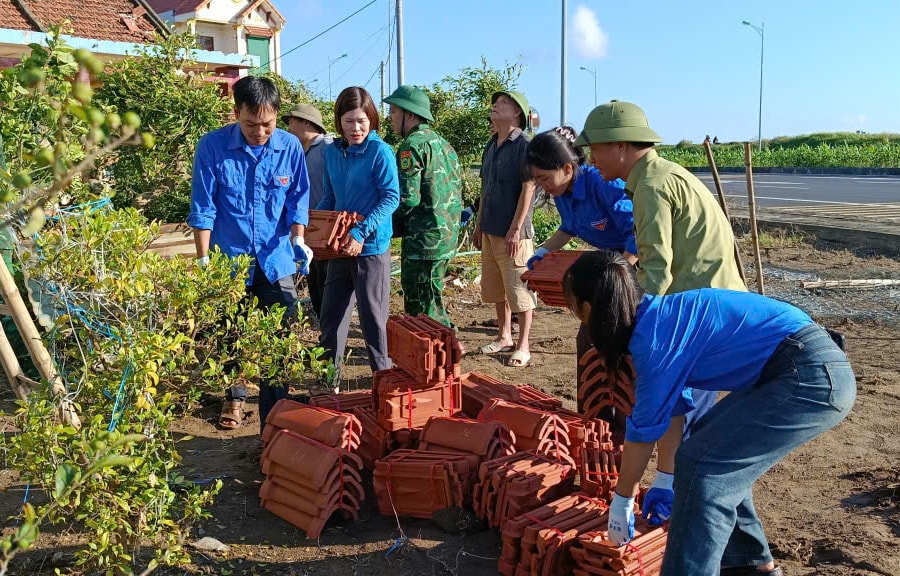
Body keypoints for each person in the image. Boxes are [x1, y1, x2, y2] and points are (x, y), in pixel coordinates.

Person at [564, 250, 855, 576]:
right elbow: (673, 409)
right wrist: (665, 479)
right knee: (710, 452)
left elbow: (642, 433)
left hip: (808, 375)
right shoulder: (660, 321)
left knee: (704, 468)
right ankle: (750, 565)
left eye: (574, 306)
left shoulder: (655, 341)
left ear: (589, 309)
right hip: (796, 367)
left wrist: (622, 502)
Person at [576, 100, 746, 438]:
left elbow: (656, 271)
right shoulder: (662, 174)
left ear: (621, 146)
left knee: (688, 428)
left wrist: (630, 328)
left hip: (701, 313)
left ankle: (682, 483)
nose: (592, 160)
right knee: (688, 421)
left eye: (596, 149)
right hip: (710, 302)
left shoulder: (652, 188)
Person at [189, 75, 312, 432]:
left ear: (277, 116)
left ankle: (276, 413)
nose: (260, 132)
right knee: (231, 332)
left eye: (268, 125)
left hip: (276, 259)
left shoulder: (288, 147)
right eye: (251, 124)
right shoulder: (212, 147)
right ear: (236, 113)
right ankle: (236, 396)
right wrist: (203, 260)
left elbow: (297, 200)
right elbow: (203, 206)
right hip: (230, 257)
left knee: (279, 334)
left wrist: (298, 238)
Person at [523, 125, 637, 406]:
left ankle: (627, 409)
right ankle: (594, 408)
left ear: (567, 168)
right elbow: (568, 228)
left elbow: (638, 232)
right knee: (590, 338)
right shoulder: (563, 194)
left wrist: (621, 272)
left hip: (633, 269)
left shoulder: (604, 184)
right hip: (611, 265)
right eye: (537, 180)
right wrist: (543, 251)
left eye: (545, 178)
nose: (543, 186)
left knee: (623, 338)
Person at [317, 86, 399, 376]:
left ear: (372, 119)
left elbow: (391, 197)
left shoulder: (380, 152)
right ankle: (329, 381)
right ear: (338, 121)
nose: (356, 128)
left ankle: (383, 381)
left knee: (373, 319)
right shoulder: (332, 152)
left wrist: (361, 232)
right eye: (349, 121)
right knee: (331, 317)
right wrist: (316, 230)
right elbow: (330, 197)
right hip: (339, 247)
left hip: (370, 248)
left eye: (362, 120)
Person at [384, 85, 463, 327]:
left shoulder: (412, 145)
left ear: (410, 114)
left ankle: (439, 355)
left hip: (424, 241)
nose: (389, 118)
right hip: (444, 237)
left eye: (394, 112)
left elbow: (407, 198)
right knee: (431, 298)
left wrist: (383, 225)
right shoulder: (443, 144)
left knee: (424, 309)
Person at [474, 90, 536, 368]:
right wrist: (478, 226)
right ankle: (504, 336)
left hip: (514, 235)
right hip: (490, 229)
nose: (496, 106)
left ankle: (523, 345)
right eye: (495, 103)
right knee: (497, 288)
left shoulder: (524, 144)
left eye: (503, 104)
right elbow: (485, 190)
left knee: (520, 290)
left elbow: (529, 187)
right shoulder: (491, 145)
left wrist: (516, 227)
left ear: (517, 114)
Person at [283, 103, 333, 322]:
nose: (289, 127)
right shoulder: (297, 153)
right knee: (315, 284)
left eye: (292, 122)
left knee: (328, 284)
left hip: (328, 230)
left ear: (307, 123)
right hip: (307, 229)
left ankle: (332, 336)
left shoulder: (328, 148)